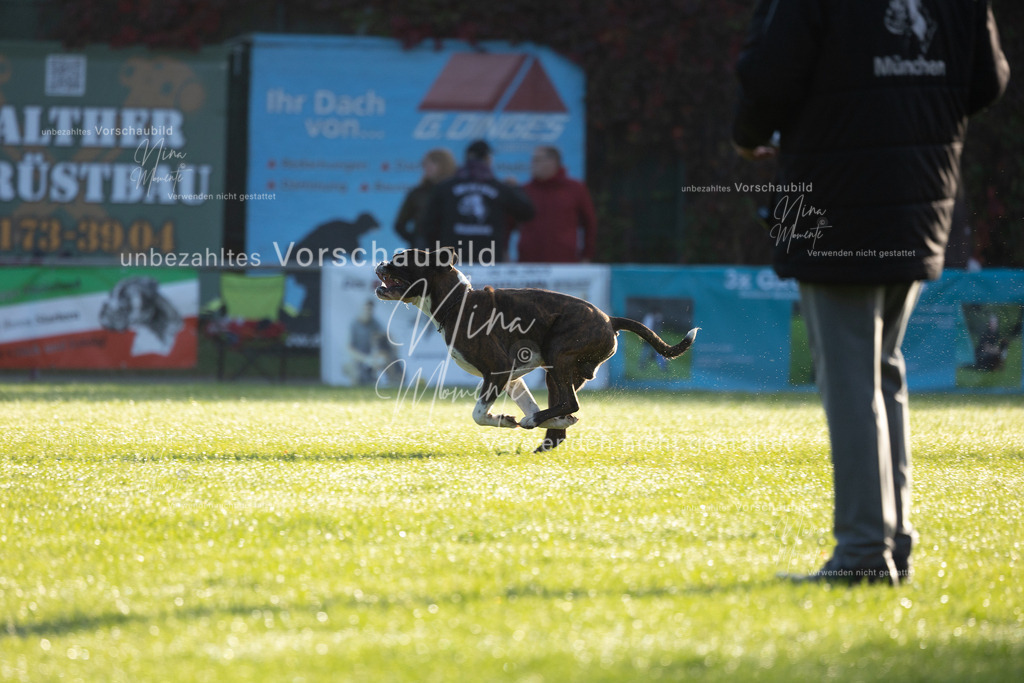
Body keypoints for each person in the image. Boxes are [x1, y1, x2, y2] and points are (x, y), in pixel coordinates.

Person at [733, 0, 1008, 586]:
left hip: (839, 199)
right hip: (922, 195)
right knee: (883, 369)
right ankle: (891, 542)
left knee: (854, 378)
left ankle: (862, 552)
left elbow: (768, 76)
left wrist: (748, 135)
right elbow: (988, 80)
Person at [418, 139, 535, 265]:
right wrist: (515, 188)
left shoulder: (445, 188)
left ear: (467, 158)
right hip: (489, 261)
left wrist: (437, 254)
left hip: (453, 263)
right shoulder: (500, 188)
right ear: (488, 159)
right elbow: (527, 212)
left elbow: (428, 226)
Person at [517, 145, 597, 263]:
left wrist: (587, 255)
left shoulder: (575, 189)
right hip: (529, 263)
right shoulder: (525, 190)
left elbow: (590, 223)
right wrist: (504, 252)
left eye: (537, 160)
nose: (532, 164)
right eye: (533, 160)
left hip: (564, 262)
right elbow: (508, 224)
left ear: (552, 162)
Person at [393, 148, 457, 249]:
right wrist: (416, 240)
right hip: (424, 250)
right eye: (425, 164)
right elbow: (399, 224)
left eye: (432, 164)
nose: (427, 168)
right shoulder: (418, 193)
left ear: (444, 165)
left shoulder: (457, 191)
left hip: (452, 247)